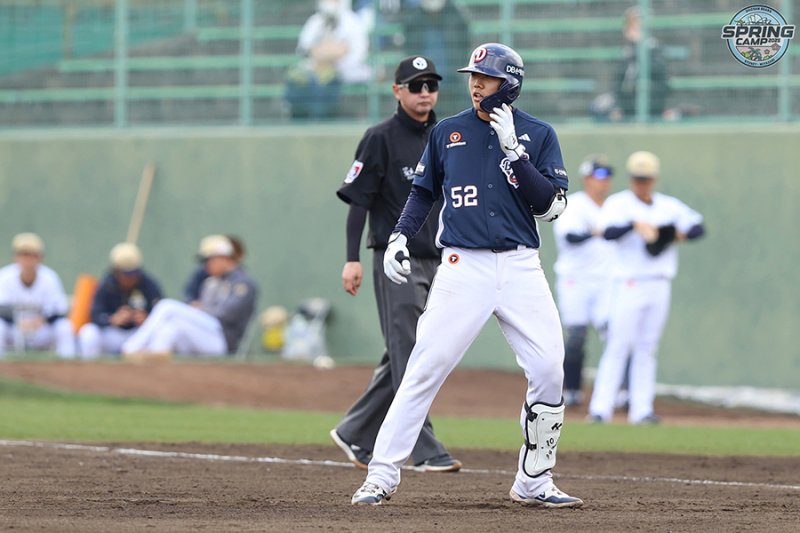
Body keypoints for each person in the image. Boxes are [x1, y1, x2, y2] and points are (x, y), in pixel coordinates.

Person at [351, 43, 582, 508]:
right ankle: (381, 474)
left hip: (520, 266)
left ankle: (533, 482)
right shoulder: (448, 132)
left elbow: (552, 207)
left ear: (511, 83)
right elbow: (421, 193)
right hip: (462, 264)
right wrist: (398, 236)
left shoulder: (537, 134)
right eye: (473, 76)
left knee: (548, 369)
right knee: (424, 368)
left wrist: (515, 152)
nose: (476, 84)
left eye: (488, 77)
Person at [330, 56, 461, 473]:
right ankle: (423, 449)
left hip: (440, 260)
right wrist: (352, 259)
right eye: (415, 85)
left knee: (413, 351)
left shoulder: (446, 136)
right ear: (397, 91)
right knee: (412, 354)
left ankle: (354, 431)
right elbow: (358, 201)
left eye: (431, 85)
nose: (425, 93)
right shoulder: (380, 138)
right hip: (396, 260)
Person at [587, 151, 704, 425]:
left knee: (647, 348)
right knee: (618, 345)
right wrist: (634, 225)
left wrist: (671, 234)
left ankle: (641, 410)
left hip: (659, 282)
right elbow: (607, 232)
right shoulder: (619, 204)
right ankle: (600, 409)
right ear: (631, 179)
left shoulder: (667, 206)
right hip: (629, 282)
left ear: (654, 179)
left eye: (646, 179)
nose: (642, 183)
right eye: (638, 179)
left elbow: (698, 228)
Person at [121, 235, 257, 359]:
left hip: (224, 339)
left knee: (166, 306)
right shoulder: (211, 282)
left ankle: (130, 347)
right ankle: (154, 355)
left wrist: (200, 310)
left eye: (208, 260)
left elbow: (227, 314)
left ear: (223, 258)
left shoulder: (242, 282)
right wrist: (198, 311)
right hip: (207, 335)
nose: (206, 265)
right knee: (173, 326)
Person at [552, 155, 614, 407]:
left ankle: (620, 393)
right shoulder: (575, 205)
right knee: (576, 336)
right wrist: (596, 232)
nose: (604, 181)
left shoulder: (613, 207)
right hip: (574, 279)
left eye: (607, 176)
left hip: (606, 280)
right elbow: (570, 236)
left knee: (614, 335)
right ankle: (573, 389)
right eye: (599, 176)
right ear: (587, 178)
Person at [285, 0, 370, 119]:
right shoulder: (315, 21)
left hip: (342, 71)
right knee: (297, 78)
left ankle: (322, 119)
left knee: (328, 80)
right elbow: (304, 49)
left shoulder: (352, 22)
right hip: (314, 70)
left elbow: (352, 52)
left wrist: (324, 53)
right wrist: (329, 52)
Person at [77, 243, 163, 359]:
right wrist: (112, 319)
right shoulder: (106, 285)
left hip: (138, 335)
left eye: (135, 273)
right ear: (116, 272)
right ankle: (91, 370)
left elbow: (161, 312)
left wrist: (147, 319)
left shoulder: (148, 285)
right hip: (113, 335)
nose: (131, 278)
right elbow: (95, 315)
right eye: (127, 274)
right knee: (88, 332)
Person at [0, 233, 76, 357]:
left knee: (64, 327)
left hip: (41, 330)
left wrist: (42, 320)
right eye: (23, 254)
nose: (28, 260)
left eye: (32, 255)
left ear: (40, 257)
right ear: (15, 257)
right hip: (14, 329)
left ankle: (68, 368)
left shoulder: (49, 278)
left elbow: (60, 309)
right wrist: (16, 321)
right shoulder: (5, 277)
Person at [592, 6, 671, 122]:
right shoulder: (628, 52)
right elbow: (618, 83)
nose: (630, 31)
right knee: (596, 106)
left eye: (635, 27)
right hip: (626, 102)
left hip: (646, 103)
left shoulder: (654, 50)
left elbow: (660, 84)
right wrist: (617, 106)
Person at [401, 0, 471, 117]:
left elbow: (465, 44)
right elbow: (409, 48)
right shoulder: (413, 19)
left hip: (453, 81)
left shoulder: (456, 16)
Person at [183, 234, 245, 304]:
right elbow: (189, 294)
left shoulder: (241, 280)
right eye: (206, 261)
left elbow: (229, 310)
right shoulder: (208, 280)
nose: (207, 265)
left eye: (210, 260)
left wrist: (203, 309)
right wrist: (193, 303)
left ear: (224, 258)